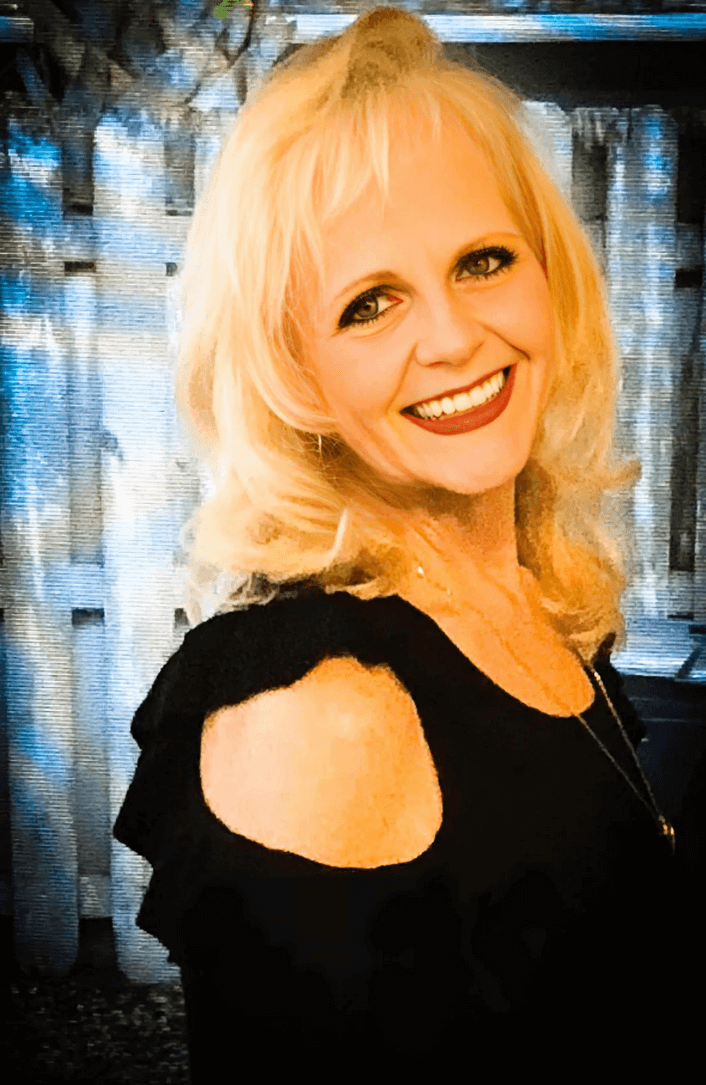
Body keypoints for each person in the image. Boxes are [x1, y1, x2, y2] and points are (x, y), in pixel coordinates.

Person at [113, 6, 698, 1078]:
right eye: (368, 303)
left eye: (481, 261)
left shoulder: (531, 596)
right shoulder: (323, 711)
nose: (451, 336)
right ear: (296, 377)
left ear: (549, 277)